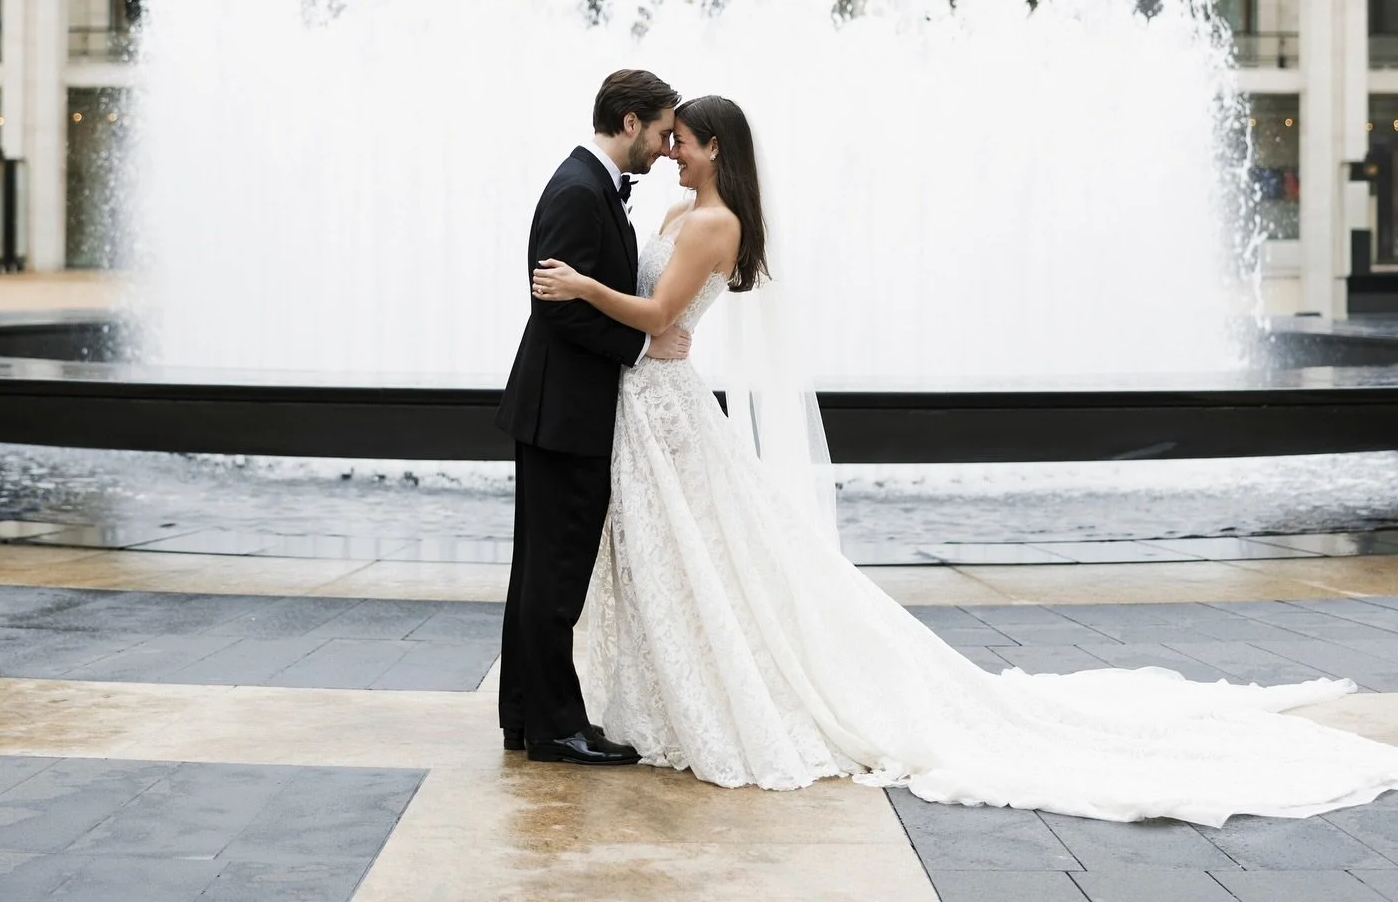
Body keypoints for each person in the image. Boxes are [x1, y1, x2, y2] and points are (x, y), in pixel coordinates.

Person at [530, 93, 1398, 821]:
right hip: (643, 404)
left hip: (663, 407)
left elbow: (655, 321)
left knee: (702, 557)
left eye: (680, 140)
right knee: (672, 559)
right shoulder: (685, 210)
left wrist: (581, 287)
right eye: (664, 136)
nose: (669, 151)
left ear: (714, 146)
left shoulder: (713, 221)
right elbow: (656, 301)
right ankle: (658, 696)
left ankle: (713, 695)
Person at [496, 67, 692, 766]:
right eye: (664, 131)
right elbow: (557, 305)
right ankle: (555, 728)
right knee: (555, 576)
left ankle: (526, 715)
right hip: (563, 412)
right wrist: (644, 343)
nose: (668, 148)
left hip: (558, 407)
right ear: (631, 122)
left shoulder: (588, 186)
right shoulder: (580, 191)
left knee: (539, 572)